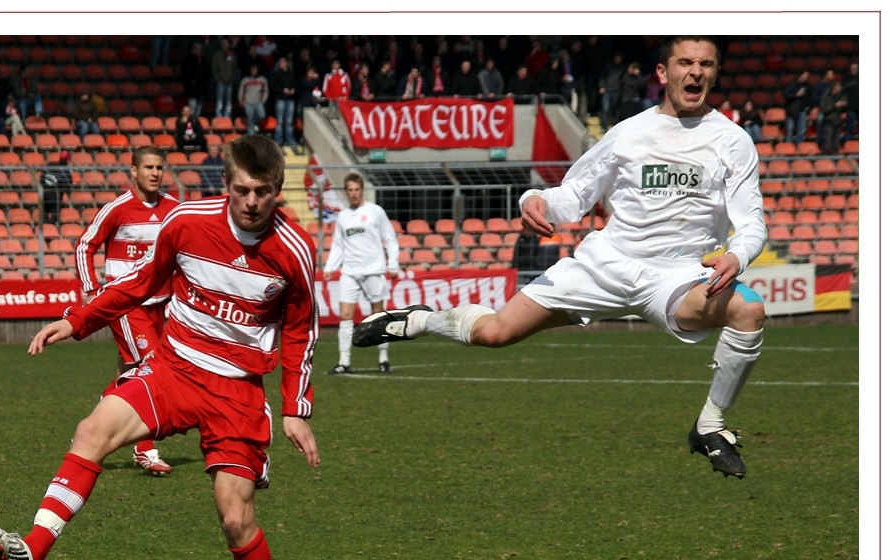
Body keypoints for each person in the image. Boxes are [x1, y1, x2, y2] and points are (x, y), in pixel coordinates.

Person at [0, 134, 320, 560]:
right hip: (174, 369)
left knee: (236, 518)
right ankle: (33, 554)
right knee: (93, 430)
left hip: (236, 391)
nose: (252, 202)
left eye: (264, 192)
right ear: (226, 184)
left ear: (278, 190)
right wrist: (79, 318)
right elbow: (141, 282)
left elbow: (301, 331)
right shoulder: (186, 222)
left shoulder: (294, 251)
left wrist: (297, 407)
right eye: (243, 190)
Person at [353, 36, 767, 479]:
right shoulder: (628, 132)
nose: (696, 72)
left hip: (678, 278)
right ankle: (421, 321)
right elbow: (574, 194)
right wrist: (536, 200)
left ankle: (710, 426)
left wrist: (737, 257)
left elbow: (753, 222)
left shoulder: (732, 141)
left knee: (749, 309)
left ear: (715, 72)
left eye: (705, 64)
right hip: (604, 266)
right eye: (685, 62)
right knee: (495, 333)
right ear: (663, 73)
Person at [74, 145, 181, 475]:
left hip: (161, 304)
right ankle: (144, 449)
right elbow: (84, 245)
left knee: (129, 374)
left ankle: (99, 418)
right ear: (133, 171)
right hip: (125, 304)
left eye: (159, 167)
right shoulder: (117, 209)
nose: (154, 173)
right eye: (148, 166)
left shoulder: (175, 209)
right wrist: (93, 291)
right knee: (150, 368)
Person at [322, 172, 401, 375]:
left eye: (357, 190)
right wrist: (330, 267)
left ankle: (383, 358)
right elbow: (338, 244)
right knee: (346, 315)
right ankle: (344, 361)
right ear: (346, 192)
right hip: (349, 271)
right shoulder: (343, 216)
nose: (354, 193)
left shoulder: (375, 211)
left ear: (362, 190)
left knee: (378, 314)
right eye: (350, 190)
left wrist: (393, 265)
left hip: (373, 270)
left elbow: (390, 238)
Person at [39, 150, 74, 225]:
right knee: (55, 217)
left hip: (44, 194)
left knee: (44, 216)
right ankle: (50, 229)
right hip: (55, 196)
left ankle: (45, 230)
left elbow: (41, 179)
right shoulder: (66, 171)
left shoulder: (50, 165)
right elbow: (68, 186)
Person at [271, 55, 298, 146]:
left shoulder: (291, 74)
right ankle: (278, 141)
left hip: (290, 100)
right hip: (280, 99)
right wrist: (283, 90)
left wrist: (293, 90)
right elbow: (274, 86)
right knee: (280, 121)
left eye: (283, 62)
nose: (281, 64)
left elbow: (295, 84)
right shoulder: (276, 74)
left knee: (289, 121)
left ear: (286, 63)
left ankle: (290, 140)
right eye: (280, 62)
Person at [181, 41, 212, 118]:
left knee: (199, 108)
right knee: (192, 108)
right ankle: (191, 124)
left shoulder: (204, 60)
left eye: (200, 49)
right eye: (197, 49)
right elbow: (185, 73)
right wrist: (191, 81)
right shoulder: (187, 59)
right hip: (192, 89)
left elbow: (208, 72)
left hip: (201, 88)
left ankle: (195, 124)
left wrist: (206, 82)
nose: (199, 51)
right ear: (193, 49)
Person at [211, 37, 239, 120]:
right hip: (220, 82)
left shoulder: (232, 54)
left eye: (226, 43)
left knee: (228, 102)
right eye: (223, 43)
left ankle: (227, 118)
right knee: (219, 102)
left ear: (229, 45)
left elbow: (235, 68)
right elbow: (214, 68)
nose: (225, 45)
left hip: (229, 81)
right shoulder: (217, 54)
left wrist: (233, 79)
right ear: (221, 44)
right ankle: (219, 118)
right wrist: (218, 79)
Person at [782, 70, 813, 145]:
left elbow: (810, 98)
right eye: (804, 76)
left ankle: (800, 146)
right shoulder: (791, 84)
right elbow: (786, 95)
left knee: (801, 130)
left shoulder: (808, 86)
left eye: (807, 76)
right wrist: (796, 95)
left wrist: (808, 109)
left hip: (802, 110)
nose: (806, 78)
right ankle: (788, 146)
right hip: (791, 110)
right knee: (790, 129)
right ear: (800, 76)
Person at [817, 79, 847, 155]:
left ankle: (835, 157)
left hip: (838, 121)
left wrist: (844, 108)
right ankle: (825, 156)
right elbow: (823, 109)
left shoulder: (841, 96)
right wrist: (834, 106)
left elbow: (845, 104)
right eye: (838, 86)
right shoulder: (826, 97)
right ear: (834, 87)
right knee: (827, 141)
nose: (840, 88)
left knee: (836, 142)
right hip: (829, 121)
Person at [238, 63, 269, 135]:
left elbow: (266, 91)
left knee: (262, 115)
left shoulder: (262, 79)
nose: (254, 71)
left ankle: (253, 124)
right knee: (249, 119)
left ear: (257, 70)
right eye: (252, 69)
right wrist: (241, 101)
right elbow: (241, 91)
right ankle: (251, 137)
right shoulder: (245, 80)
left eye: (255, 69)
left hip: (258, 102)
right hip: (248, 103)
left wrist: (263, 100)